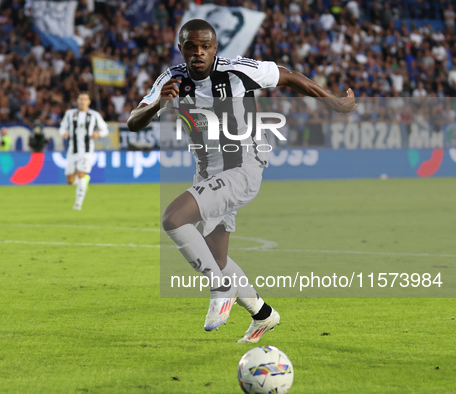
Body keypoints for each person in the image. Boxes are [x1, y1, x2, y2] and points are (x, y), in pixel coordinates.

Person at [127, 19, 356, 343]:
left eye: (205, 46)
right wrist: (156, 107)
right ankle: (263, 314)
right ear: (181, 49)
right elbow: (133, 121)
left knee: (174, 218)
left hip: (242, 167)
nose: (198, 52)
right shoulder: (171, 79)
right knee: (216, 257)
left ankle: (221, 289)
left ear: (215, 48)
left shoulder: (236, 71)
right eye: (191, 46)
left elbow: (287, 75)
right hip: (208, 173)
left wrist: (332, 100)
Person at [60, 92, 109, 210]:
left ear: (89, 102)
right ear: (77, 101)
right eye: (80, 99)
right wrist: (64, 133)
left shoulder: (94, 115)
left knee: (81, 173)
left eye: (84, 99)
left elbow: (105, 130)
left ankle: (78, 204)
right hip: (72, 150)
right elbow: (62, 127)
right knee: (70, 180)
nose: (82, 102)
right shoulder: (70, 114)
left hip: (86, 151)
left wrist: (99, 133)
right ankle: (84, 181)